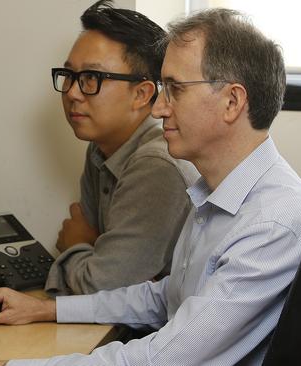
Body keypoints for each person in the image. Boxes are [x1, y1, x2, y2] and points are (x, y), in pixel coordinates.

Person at [0, 8, 301, 366]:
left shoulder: (271, 223)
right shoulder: (221, 192)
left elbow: (163, 359)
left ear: (232, 101)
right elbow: (164, 298)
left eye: (173, 89)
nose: (158, 106)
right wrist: (46, 308)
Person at [45, 0, 198, 296]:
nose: (73, 93)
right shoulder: (100, 147)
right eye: (69, 76)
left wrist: (76, 244)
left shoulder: (156, 165)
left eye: (92, 78)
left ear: (142, 94)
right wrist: (89, 251)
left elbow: (101, 285)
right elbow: (100, 267)